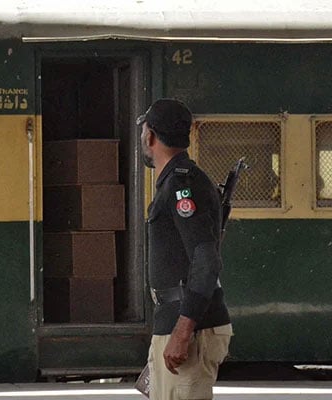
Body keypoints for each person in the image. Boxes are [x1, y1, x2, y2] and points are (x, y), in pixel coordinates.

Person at [137, 98, 233, 400]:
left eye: (143, 130)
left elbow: (205, 261)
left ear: (150, 136)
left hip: (188, 327)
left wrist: (182, 330)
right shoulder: (177, 181)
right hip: (176, 319)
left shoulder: (182, 186)